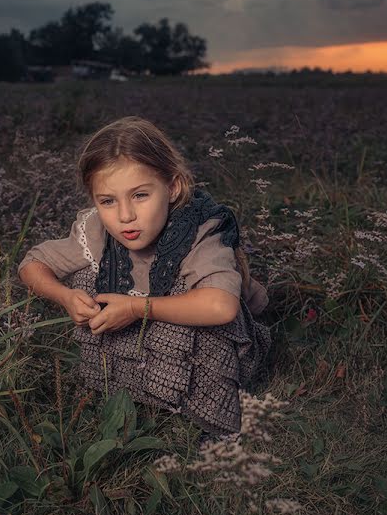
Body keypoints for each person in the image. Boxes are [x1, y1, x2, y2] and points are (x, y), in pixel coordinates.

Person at [18, 116, 271, 436]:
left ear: (172, 187)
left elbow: (222, 308)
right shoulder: (96, 229)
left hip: (227, 346)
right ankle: (128, 388)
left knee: (194, 297)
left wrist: (138, 308)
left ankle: (205, 415)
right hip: (154, 341)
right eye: (108, 201)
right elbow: (32, 264)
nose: (125, 216)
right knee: (83, 278)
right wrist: (65, 297)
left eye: (140, 195)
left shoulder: (201, 231)